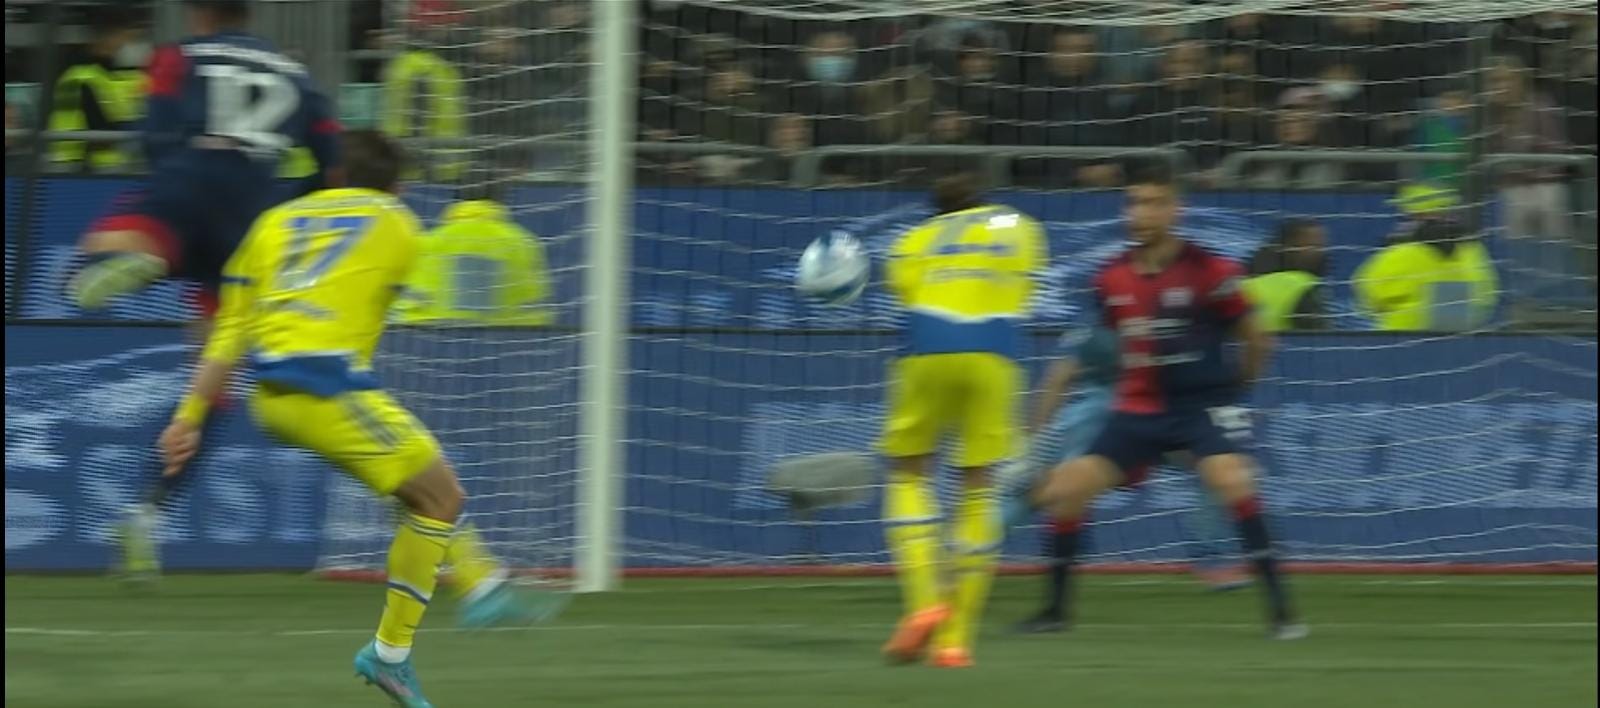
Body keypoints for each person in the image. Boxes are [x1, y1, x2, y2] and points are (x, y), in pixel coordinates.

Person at [158, 131, 546, 708]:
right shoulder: (397, 221)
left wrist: (188, 417)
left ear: (336, 175)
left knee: (416, 491)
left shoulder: (273, 222)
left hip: (272, 394)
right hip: (326, 385)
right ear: (398, 186)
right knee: (441, 496)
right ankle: (402, 644)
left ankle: (479, 583)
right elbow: (429, 298)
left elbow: (230, 330)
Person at [74, 0, 344, 581]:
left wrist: (179, 191)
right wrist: (284, 194)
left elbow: (154, 137)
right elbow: (333, 163)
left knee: (95, 253)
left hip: (188, 181)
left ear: (196, 13)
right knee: (212, 385)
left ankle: (152, 258)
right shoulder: (296, 73)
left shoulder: (178, 55)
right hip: (253, 218)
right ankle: (147, 513)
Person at [1036, 168, 1306, 640]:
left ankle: (1282, 615)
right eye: (1134, 203)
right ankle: (1055, 613)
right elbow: (1109, 343)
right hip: (1137, 412)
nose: (1140, 213)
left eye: (1153, 203)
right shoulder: (1111, 277)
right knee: (1064, 490)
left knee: (1233, 481)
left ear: (1176, 210)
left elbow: (1258, 338)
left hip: (1199, 409)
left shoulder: (1212, 271)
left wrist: (1237, 387)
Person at [879, 171, 1047, 668]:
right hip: (995, 354)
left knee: (909, 473)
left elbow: (905, 293)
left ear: (936, 210)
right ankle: (954, 642)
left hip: (926, 349)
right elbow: (1027, 285)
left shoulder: (913, 239)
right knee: (978, 487)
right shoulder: (1021, 226)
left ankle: (925, 603)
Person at [1000, 322, 1250, 635]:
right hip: (1122, 419)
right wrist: (1032, 444)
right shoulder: (1104, 329)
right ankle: (978, 548)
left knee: (1213, 465)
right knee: (1045, 486)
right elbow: (1059, 377)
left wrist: (1031, 446)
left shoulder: (1163, 319)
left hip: (1157, 415)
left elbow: (1059, 377)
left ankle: (1211, 558)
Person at [1354, 184, 1498, 331]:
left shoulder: (1403, 252)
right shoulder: (1472, 250)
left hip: (1400, 338)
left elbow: (1368, 295)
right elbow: (1486, 299)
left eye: (1407, 215)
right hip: (1460, 339)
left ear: (1420, 215)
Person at [396, 191, 551, 326]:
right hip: (500, 339)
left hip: (431, 339)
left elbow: (409, 303)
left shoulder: (430, 240)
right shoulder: (523, 243)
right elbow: (533, 310)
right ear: (500, 201)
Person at [47, 7, 146, 172]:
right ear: (110, 38)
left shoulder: (106, 72)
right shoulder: (81, 75)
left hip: (102, 167)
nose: (127, 45)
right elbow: (99, 129)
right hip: (81, 170)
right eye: (125, 38)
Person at [1243, 219, 1330, 332]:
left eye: (1321, 246)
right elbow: (1321, 338)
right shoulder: (1301, 286)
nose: (1319, 251)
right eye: (1310, 245)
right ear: (1287, 247)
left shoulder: (1242, 284)